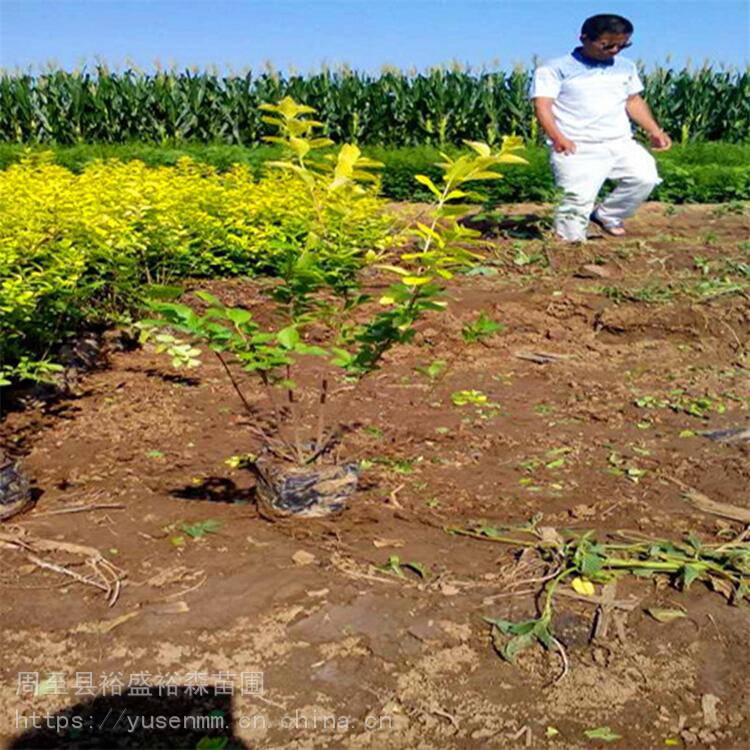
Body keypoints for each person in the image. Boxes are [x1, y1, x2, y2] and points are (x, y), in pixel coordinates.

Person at [530, 13, 672, 242]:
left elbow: (633, 101)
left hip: (620, 142)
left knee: (644, 177)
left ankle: (607, 215)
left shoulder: (626, 67)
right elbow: (543, 105)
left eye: (622, 45)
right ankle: (569, 252)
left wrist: (655, 131)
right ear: (584, 38)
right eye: (607, 45)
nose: (614, 51)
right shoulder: (555, 68)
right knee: (575, 205)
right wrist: (557, 137)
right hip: (576, 146)